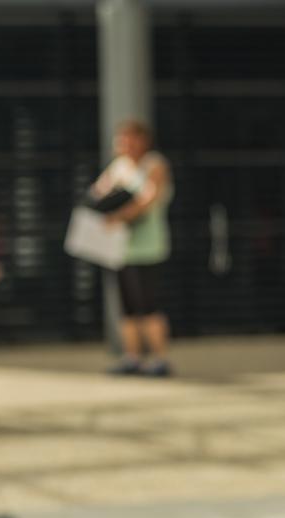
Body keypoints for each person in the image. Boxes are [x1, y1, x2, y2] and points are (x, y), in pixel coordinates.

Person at [91, 120, 174, 377]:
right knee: (127, 305)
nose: (125, 145)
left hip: (148, 248)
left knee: (148, 303)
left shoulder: (155, 165)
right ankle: (132, 357)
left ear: (143, 140)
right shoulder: (119, 167)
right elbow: (96, 194)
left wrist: (118, 217)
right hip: (120, 248)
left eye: (130, 139)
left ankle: (160, 359)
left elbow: (147, 201)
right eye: (121, 140)